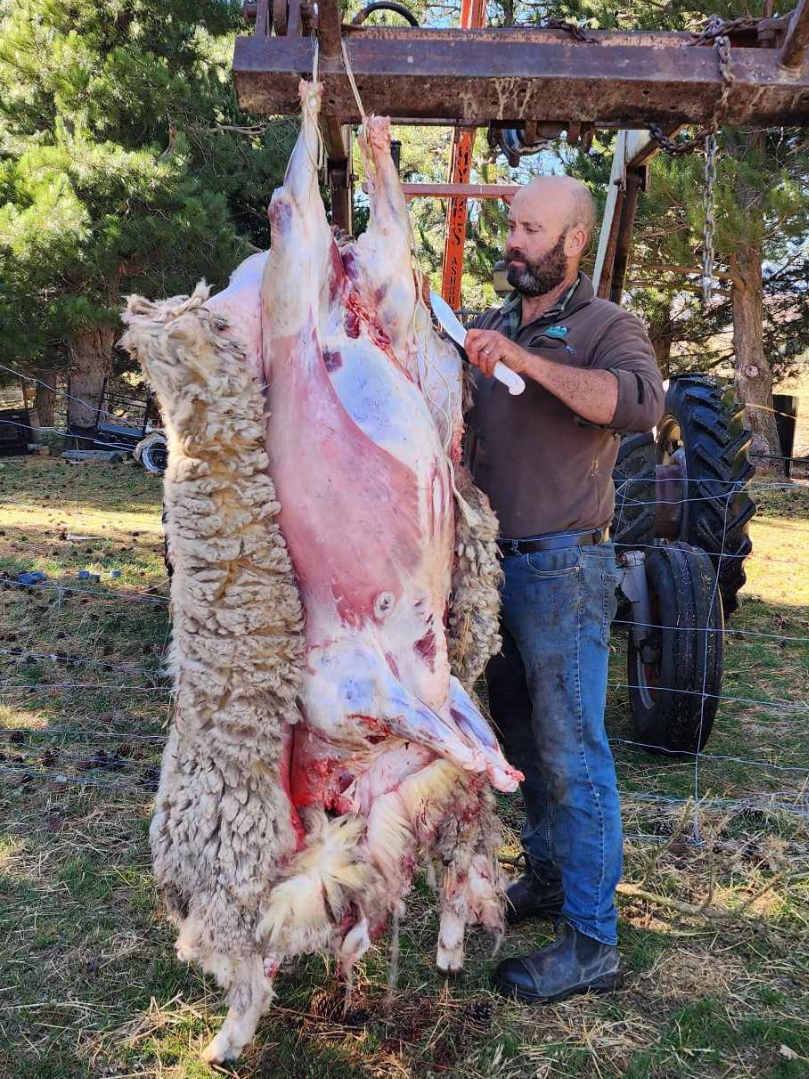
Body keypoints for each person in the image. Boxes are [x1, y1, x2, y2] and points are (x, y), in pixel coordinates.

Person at [463, 175, 665, 1004]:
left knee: (573, 750)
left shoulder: (605, 325)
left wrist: (524, 363)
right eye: (511, 225)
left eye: (530, 228)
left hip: (562, 569)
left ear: (573, 241)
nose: (512, 240)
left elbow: (638, 404)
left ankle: (591, 939)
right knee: (519, 741)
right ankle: (546, 877)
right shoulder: (496, 320)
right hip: (489, 567)